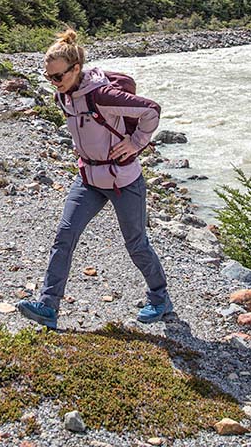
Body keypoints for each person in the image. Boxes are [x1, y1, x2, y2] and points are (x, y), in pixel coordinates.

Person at [17, 29, 172, 329]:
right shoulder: (63, 96)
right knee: (64, 235)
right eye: (48, 77)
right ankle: (48, 307)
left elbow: (151, 110)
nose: (54, 83)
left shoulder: (103, 95)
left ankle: (160, 296)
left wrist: (136, 142)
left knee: (136, 244)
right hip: (88, 178)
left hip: (123, 180)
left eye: (58, 77)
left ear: (76, 69)